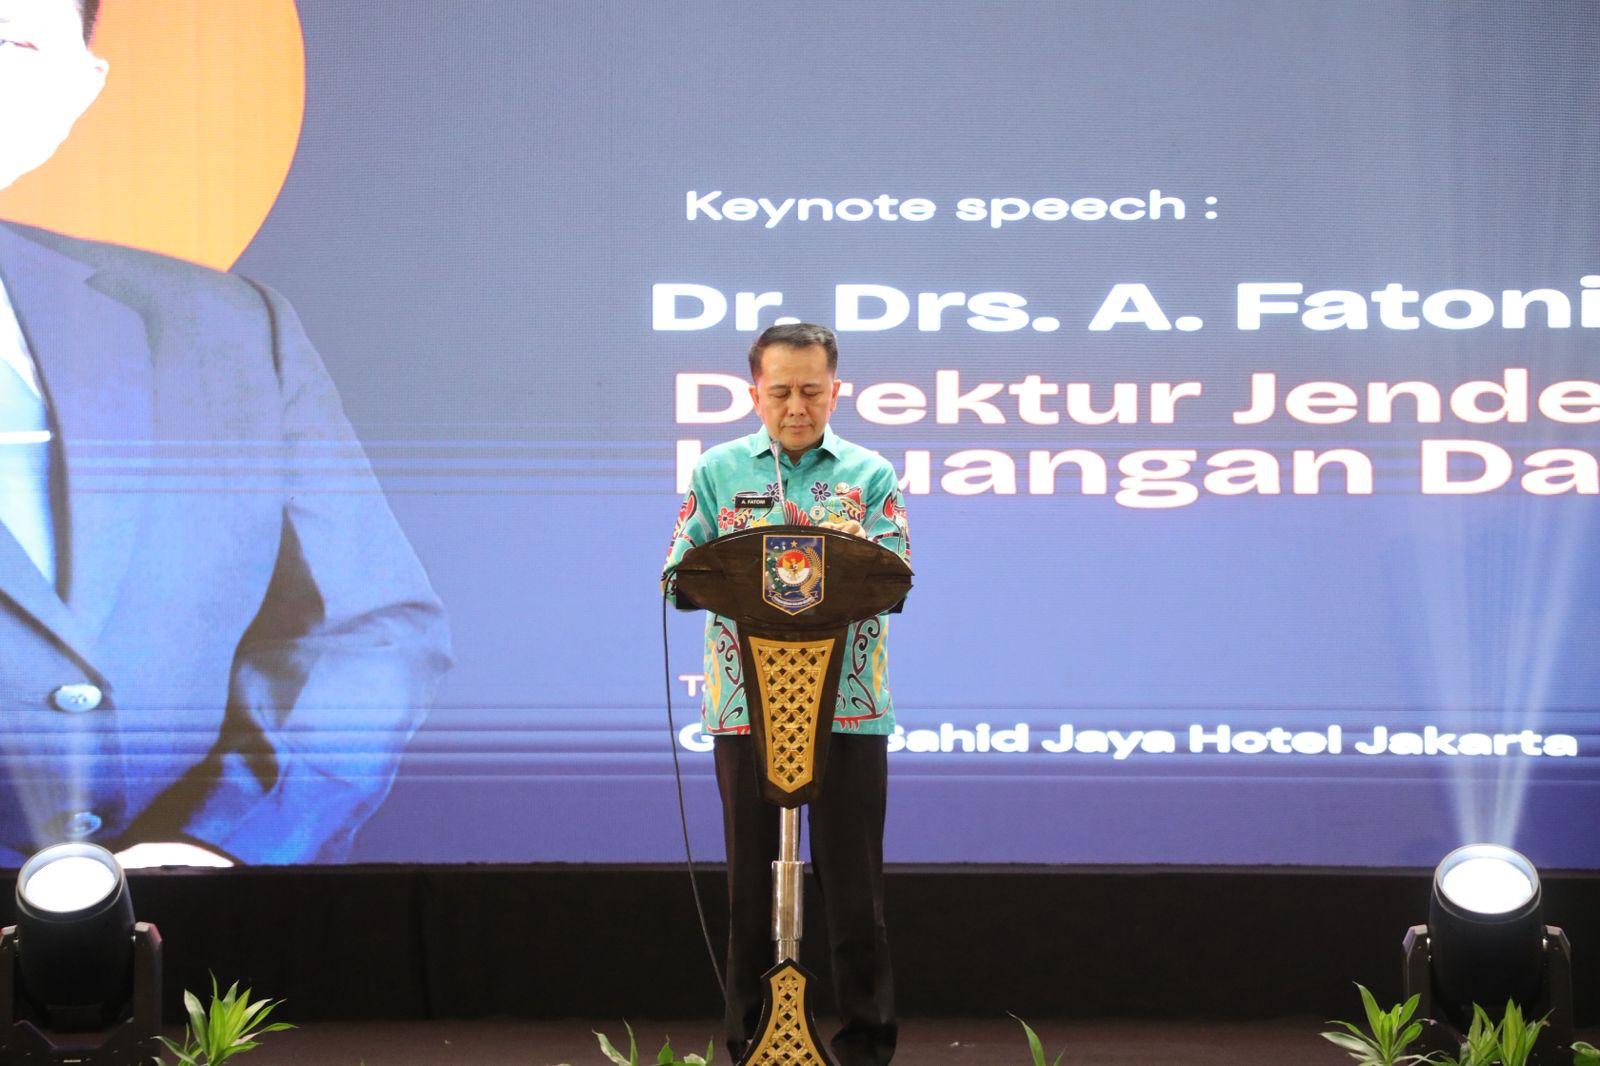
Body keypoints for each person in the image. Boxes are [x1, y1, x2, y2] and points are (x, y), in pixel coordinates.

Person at [0, 0, 451, 867]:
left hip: (206, 920)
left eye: (15, 40)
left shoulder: (223, 325)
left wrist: (222, 850)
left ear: (80, 87)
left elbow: (369, 628)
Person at [663, 322, 910, 1066]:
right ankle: (750, 1042)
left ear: (836, 390)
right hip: (747, 708)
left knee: (854, 890)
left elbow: (895, 576)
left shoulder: (869, 474)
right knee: (749, 886)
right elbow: (678, 576)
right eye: (780, 392)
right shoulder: (717, 471)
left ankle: (864, 1046)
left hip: (849, 708)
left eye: (810, 390)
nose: (796, 407)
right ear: (754, 395)